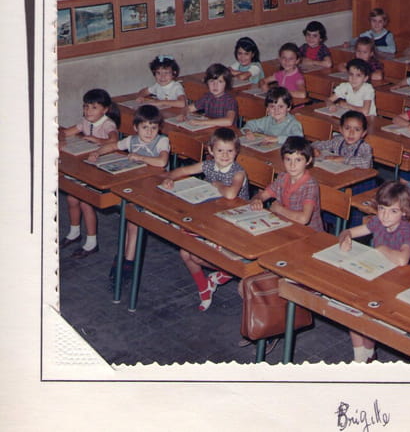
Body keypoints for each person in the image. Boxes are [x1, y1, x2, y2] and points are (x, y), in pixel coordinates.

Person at [161, 127, 250, 311]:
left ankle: (228, 272)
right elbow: (182, 170)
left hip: (235, 223)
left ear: (236, 152)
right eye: (220, 150)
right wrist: (169, 178)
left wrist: (216, 184)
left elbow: (231, 194)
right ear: (211, 150)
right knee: (185, 252)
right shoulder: (208, 165)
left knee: (195, 254)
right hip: (213, 218)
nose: (225, 155)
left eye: (230, 151)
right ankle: (204, 287)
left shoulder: (238, 171)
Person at [88, 104, 170, 284]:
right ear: (135, 127)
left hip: (155, 190)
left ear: (159, 128)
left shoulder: (162, 141)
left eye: (153, 127)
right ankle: (124, 258)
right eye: (144, 127)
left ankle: (127, 262)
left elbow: (162, 161)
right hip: (137, 187)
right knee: (128, 222)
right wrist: (97, 152)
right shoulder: (132, 140)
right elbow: (112, 146)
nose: (149, 132)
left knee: (132, 223)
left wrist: (140, 157)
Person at [338, 181, 410, 362]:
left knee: (366, 314)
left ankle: (367, 353)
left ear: (404, 212)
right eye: (382, 209)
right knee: (351, 303)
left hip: (400, 284)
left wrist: (381, 249)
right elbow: (347, 231)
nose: (385, 216)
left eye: (393, 211)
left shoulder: (406, 229)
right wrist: (345, 240)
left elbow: (402, 259)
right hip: (378, 275)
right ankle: (361, 356)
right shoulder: (377, 222)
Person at [61, 88, 121, 259]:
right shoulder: (85, 121)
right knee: (72, 199)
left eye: (94, 107)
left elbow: (114, 140)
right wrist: (61, 138)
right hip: (86, 165)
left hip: (101, 168)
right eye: (86, 106)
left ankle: (91, 243)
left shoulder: (108, 124)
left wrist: (98, 140)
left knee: (86, 203)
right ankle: (74, 233)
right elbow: (65, 131)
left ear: (105, 109)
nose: (88, 111)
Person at [249, 136, 324, 231]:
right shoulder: (282, 177)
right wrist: (257, 200)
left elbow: (304, 219)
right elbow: (263, 195)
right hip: (286, 227)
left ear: (308, 161)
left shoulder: (310, 185)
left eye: (298, 160)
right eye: (288, 159)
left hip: (308, 233)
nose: (292, 165)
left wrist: (279, 209)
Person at [181, 63, 237, 128]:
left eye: (220, 82)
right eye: (211, 81)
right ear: (207, 82)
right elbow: (189, 108)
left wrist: (201, 122)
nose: (215, 85)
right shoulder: (207, 97)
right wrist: (183, 114)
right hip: (211, 128)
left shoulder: (230, 101)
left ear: (226, 84)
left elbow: (229, 121)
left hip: (226, 132)